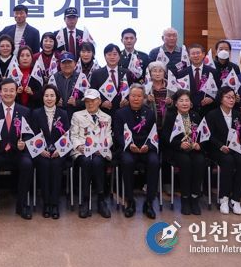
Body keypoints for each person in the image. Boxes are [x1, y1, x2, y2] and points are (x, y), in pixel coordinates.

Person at [0, 78, 33, 220]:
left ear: (16, 92)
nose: (8, 93)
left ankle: (22, 205)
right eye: (5, 90)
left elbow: (29, 135)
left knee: (27, 163)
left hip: (17, 151)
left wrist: (24, 143)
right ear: (0, 92)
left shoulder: (25, 111)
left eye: (11, 90)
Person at [115, 84, 159, 219]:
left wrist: (149, 146)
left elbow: (154, 134)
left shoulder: (149, 113)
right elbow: (118, 135)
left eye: (139, 96)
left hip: (146, 148)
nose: (136, 99)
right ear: (128, 97)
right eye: (133, 96)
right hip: (128, 148)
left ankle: (149, 202)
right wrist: (129, 145)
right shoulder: (120, 113)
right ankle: (130, 201)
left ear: (143, 98)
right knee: (127, 162)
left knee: (154, 161)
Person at [205, 86, 241, 215]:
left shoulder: (238, 115)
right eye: (228, 97)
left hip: (235, 148)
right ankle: (223, 198)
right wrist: (220, 146)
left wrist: (240, 144)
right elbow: (208, 135)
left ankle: (236, 199)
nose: (231, 100)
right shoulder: (212, 114)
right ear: (221, 98)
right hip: (217, 149)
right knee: (228, 161)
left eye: (233, 97)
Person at [161, 90, 205, 216]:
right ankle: (185, 199)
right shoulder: (171, 116)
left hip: (193, 149)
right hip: (176, 150)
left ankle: (195, 198)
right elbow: (165, 137)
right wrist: (179, 144)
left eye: (187, 100)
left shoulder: (195, 116)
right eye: (181, 101)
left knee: (200, 161)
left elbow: (203, 135)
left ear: (191, 103)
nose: (184, 103)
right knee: (185, 162)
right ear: (176, 103)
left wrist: (199, 144)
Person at [71, 89, 113, 218]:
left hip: (100, 151)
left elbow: (109, 137)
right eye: (87, 101)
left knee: (98, 161)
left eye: (93, 101)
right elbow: (73, 135)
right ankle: (85, 200)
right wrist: (79, 146)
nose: (90, 103)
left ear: (99, 101)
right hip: (82, 151)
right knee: (86, 161)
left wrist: (103, 147)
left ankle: (101, 200)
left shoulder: (107, 117)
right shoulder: (77, 115)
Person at [32, 85, 70, 219]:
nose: (49, 98)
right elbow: (32, 134)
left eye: (52, 96)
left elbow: (67, 135)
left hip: (58, 151)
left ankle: (54, 204)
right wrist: (40, 150)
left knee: (56, 165)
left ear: (57, 98)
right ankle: (46, 203)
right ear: (42, 97)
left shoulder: (63, 114)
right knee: (44, 165)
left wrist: (60, 150)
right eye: (46, 95)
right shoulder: (36, 113)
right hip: (41, 151)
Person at [176, 43, 219, 116]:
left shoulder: (213, 72)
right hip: (189, 111)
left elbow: (219, 90)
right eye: (193, 54)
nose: (195, 56)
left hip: (208, 111)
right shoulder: (182, 73)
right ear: (189, 56)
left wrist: (212, 99)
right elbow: (179, 92)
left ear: (203, 54)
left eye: (198, 53)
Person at [90, 43, 133, 117]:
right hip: (104, 113)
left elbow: (132, 90)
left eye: (115, 54)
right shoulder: (96, 74)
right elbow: (93, 92)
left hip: (123, 112)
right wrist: (101, 102)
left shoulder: (127, 73)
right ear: (105, 56)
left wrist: (127, 99)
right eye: (109, 54)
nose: (112, 57)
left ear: (119, 56)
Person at [50, 52, 85, 118]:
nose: (67, 65)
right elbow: (46, 96)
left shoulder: (82, 77)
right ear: (60, 64)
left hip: (77, 115)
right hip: (57, 115)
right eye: (64, 63)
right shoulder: (53, 77)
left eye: (69, 62)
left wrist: (77, 102)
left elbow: (88, 98)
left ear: (75, 63)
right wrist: (55, 101)